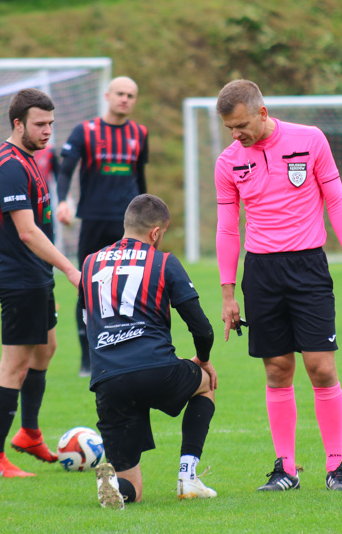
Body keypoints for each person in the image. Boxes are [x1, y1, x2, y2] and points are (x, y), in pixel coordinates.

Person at [214, 79, 342, 491]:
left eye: (241, 125)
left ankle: (336, 467)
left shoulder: (309, 139)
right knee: (277, 370)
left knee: (321, 367)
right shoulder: (228, 162)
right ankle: (286, 469)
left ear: (262, 113)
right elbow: (228, 229)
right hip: (260, 273)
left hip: (308, 268)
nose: (237, 134)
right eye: (230, 128)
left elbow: (335, 198)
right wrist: (228, 292)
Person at [80, 194, 217, 508]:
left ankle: (115, 484)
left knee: (134, 490)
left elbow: (89, 320)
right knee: (205, 385)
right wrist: (203, 361)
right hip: (157, 370)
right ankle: (187, 476)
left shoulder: (89, 263)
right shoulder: (164, 261)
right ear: (156, 233)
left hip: (108, 379)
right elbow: (201, 327)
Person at [0, 88, 83, 478]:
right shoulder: (9, 165)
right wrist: (69, 269)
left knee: (46, 348)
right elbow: (27, 232)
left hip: (34, 276)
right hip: (19, 279)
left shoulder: (26, 159)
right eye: (40, 124)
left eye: (51, 124)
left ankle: (29, 434)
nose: (48, 131)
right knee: (15, 366)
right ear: (18, 123)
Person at [56, 76, 149, 378]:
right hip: (94, 221)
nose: (125, 99)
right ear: (108, 96)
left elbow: (140, 179)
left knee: (131, 289)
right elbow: (65, 170)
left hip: (130, 225)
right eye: (120, 93)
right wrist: (63, 201)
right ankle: (88, 359)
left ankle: (128, 352)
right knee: (87, 289)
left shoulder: (140, 134)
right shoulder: (86, 131)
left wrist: (150, 217)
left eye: (131, 95)